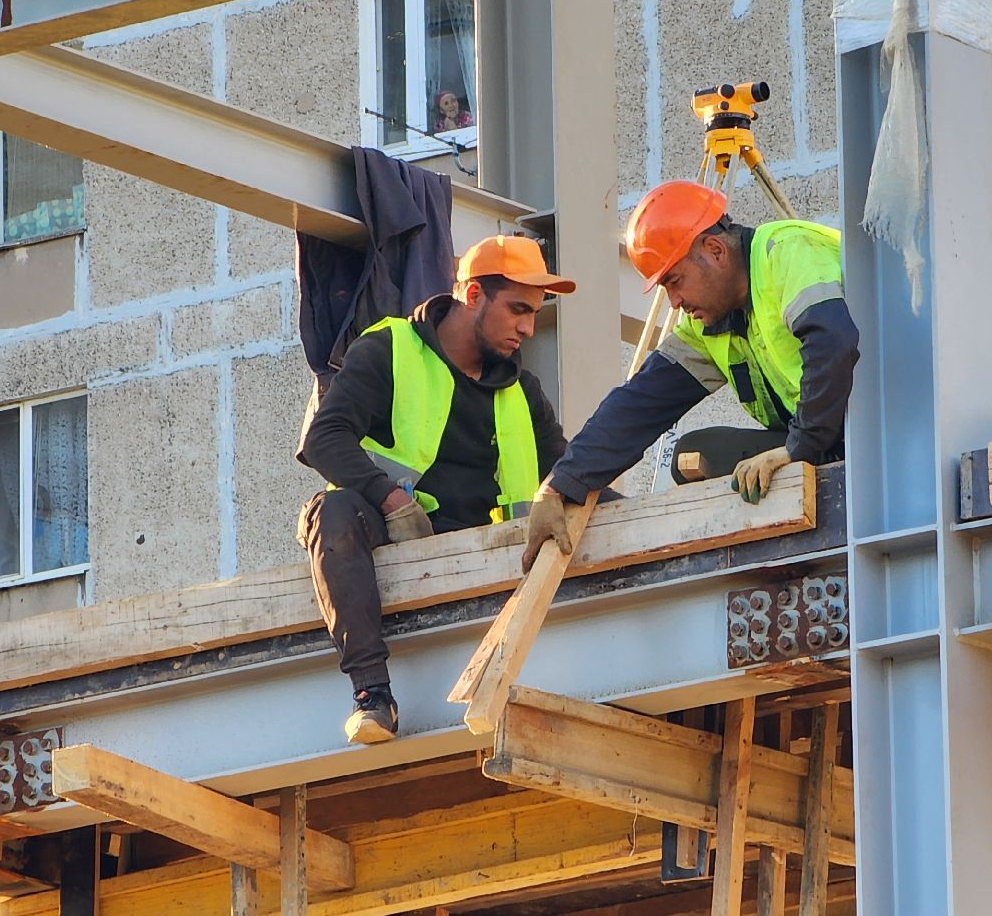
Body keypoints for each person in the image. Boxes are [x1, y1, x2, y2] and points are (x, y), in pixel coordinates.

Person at [296, 235, 575, 745]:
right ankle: (372, 696)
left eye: (533, 314)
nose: (527, 329)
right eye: (517, 310)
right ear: (473, 296)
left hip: (488, 567)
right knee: (331, 511)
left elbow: (570, 475)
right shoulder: (390, 350)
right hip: (391, 535)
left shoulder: (522, 392)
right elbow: (323, 438)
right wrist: (390, 499)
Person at [525, 179, 857, 563]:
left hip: (888, 434)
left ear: (714, 250)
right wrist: (558, 486)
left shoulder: (786, 251)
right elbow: (637, 406)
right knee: (696, 451)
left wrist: (797, 450)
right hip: (830, 446)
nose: (675, 302)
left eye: (675, 281)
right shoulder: (707, 329)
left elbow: (834, 342)